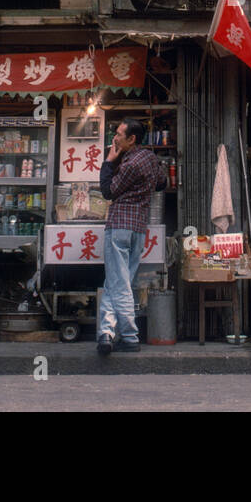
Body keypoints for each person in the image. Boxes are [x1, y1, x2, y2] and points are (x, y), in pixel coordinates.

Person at [96, 117, 162, 354]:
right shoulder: (150, 159)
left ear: (132, 139)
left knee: (120, 283)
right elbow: (162, 183)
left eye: (119, 134)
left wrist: (109, 161)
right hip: (138, 228)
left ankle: (130, 336)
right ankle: (106, 333)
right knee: (116, 281)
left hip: (119, 226)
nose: (115, 137)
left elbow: (108, 191)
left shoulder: (130, 164)